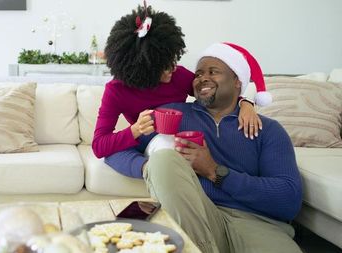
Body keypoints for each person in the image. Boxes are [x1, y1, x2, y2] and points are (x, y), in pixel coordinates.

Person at [105, 42, 302, 253]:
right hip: (196, 218)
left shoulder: (268, 130)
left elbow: (288, 200)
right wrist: (148, 168)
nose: (202, 78)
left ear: (237, 81)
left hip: (257, 224)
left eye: (213, 71)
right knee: (163, 159)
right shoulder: (171, 114)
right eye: (198, 74)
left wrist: (214, 171)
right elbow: (113, 151)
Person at [92, 2, 262, 159]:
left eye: (173, 60)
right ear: (145, 69)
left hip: (183, 139)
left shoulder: (178, 75)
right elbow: (99, 146)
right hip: (151, 144)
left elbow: (214, 94)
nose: (173, 68)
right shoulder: (116, 91)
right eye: (165, 67)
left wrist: (245, 104)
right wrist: (135, 130)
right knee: (114, 158)